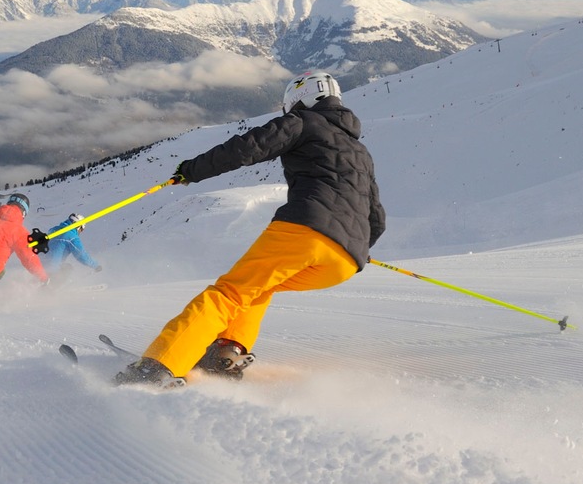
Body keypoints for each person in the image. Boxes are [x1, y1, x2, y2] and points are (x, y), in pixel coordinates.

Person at [115, 71, 385, 387]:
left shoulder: (303, 123)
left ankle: (156, 369)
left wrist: (191, 171)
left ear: (299, 98)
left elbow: (247, 147)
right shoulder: (361, 153)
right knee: (260, 286)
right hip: (344, 262)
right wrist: (353, 243)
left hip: (305, 232)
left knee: (227, 294)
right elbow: (376, 219)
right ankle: (225, 353)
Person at [42, 213, 103, 277]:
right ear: (79, 226)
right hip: (52, 268)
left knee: (64, 266)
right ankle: (52, 286)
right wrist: (95, 265)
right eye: (81, 230)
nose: (80, 232)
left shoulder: (54, 230)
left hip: (38, 265)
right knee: (68, 268)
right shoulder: (72, 237)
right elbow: (81, 255)